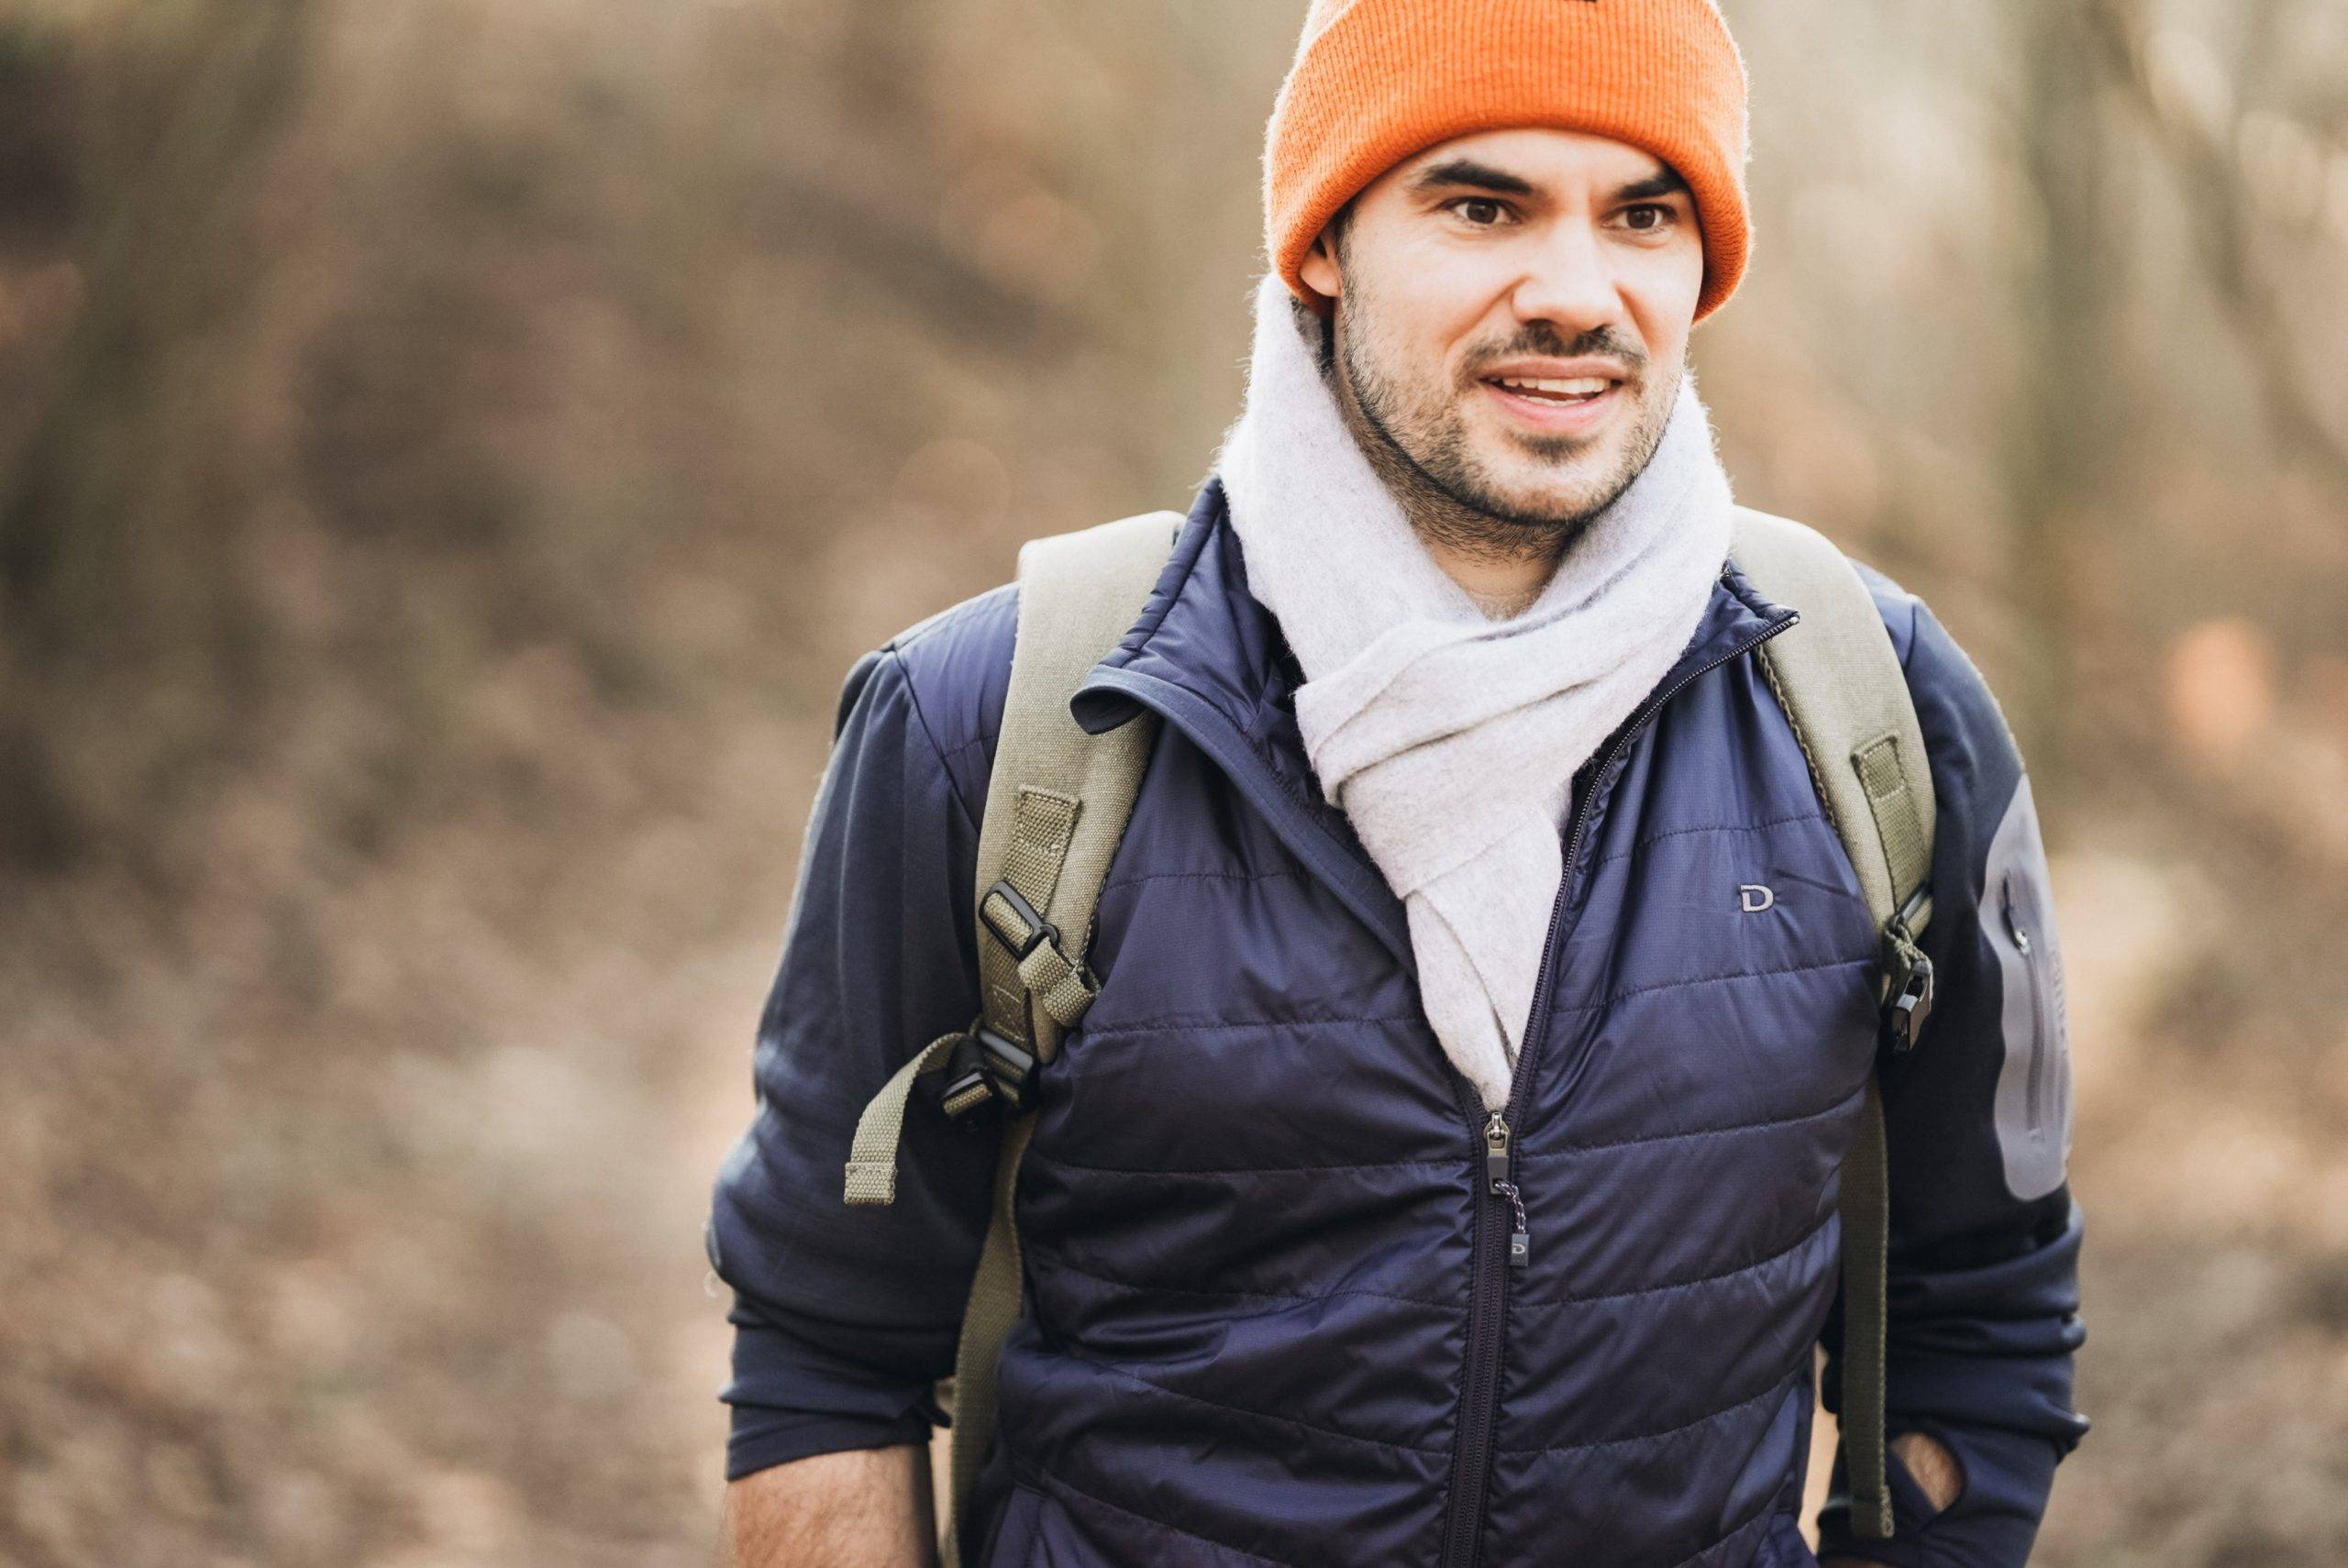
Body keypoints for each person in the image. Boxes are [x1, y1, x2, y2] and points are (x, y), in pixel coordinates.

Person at [707, 0, 2089, 1562]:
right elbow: (828, 1352)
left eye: (1644, 212)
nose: (1575, 294)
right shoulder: (994, 727)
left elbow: (1984, 1309)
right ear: (1322, 241)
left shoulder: (1876, 710)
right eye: (1481, 202)